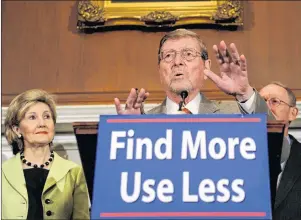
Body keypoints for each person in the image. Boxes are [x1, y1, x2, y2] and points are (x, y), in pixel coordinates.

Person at [114, 28, 271, 116]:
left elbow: (280, 153)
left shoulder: (235, 114)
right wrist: (131, 131)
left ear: (206, 67)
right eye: (168, 56)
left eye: (188, 54)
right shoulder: (144, 121)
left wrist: (244, 94)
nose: (177, 62)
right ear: (159, 70)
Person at [2, 89, 90, 220]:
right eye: (32, 117)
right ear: (17, 129)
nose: (42, 124)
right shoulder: (3, 172)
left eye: (47, 116)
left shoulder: (73, 173)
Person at [259, 82, 301, 220]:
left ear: (293, 113)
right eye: (261, 102)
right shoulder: (236, 156)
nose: (266, 107)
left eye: (274, 101)